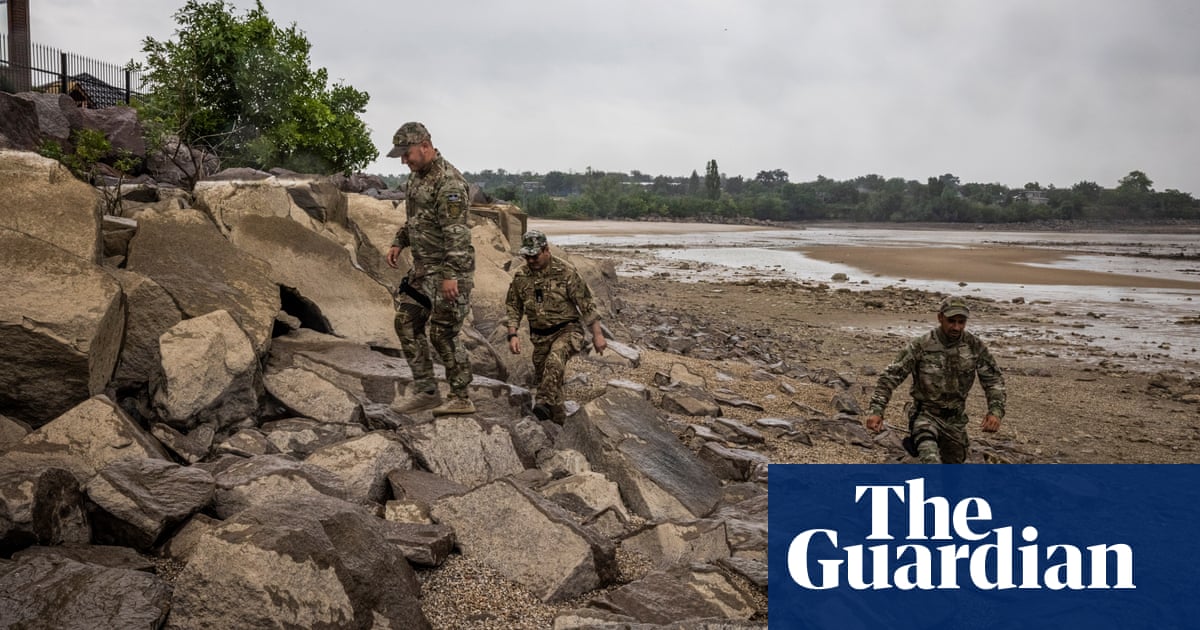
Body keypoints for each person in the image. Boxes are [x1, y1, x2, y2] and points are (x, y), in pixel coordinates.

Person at [385, 121, 476, 416]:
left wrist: (451, 276)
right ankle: (426, 391)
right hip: (423, 273)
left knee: (443, 333)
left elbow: (457, 235)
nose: (404, 161)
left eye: (407, 153)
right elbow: (417, 221)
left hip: (449, 272)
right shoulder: (416, 179)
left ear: (425, 145)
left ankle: (461, 396)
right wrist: (400, 241)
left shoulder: (448, 183)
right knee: (406, 322)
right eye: (400, 156)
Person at [863, 295, 1006, 463]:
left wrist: (995, 412)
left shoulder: (974, 346)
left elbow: (993, 380)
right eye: (952, 321)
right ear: (940, 318)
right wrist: (877, 411)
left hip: (955, 421)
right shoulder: (922, 345)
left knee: (952, 476)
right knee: (930, 461)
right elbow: (890, 377)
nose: (956, 327)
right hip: (925, 416)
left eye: (961, 322)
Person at [504, 230, 607, 423]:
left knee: (555, 361)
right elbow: (513, 306)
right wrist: (513, 334)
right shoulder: (521, 276)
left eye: (534, 256)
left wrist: (598, 335)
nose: (531, 260)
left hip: (568, 330)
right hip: (540, 336)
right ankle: (559, 423)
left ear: (546, 250)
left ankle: (541, 403)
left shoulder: (565, 272)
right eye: (527, 256)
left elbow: (586, 304)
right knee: (550, 381)